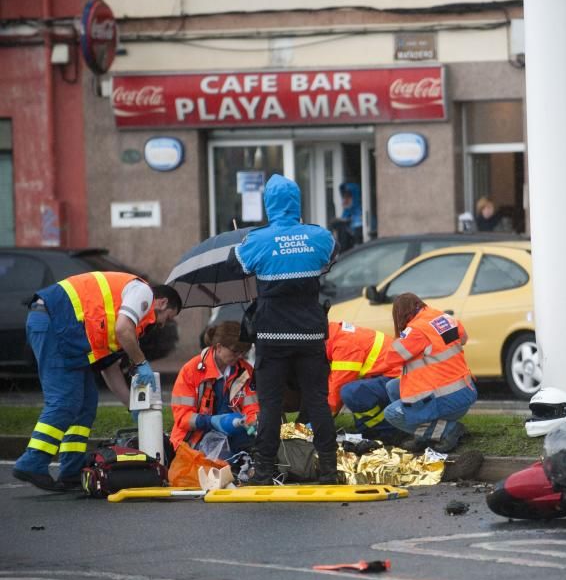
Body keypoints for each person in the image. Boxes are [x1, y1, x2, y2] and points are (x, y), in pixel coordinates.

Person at [13, 272, 182, 491]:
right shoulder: (143, 293)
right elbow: (123, 329)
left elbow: (110, 369)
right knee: (65, 400)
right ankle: (32, 462)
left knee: (85, 403)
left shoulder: (125, 318)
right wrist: (141, 362)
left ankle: (71, 470)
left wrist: (132, 407)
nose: (162, 324)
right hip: (54, 321)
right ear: (162, 301)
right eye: (168, 317)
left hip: (66, 331)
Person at [233, 173, 339, 485]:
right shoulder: (320, 237)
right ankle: (329, 470)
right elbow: (327, 259)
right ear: (297, 203)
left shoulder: (255, 241)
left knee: (270, 404)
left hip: (271, 335)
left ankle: (264, 470)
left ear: (268, 205)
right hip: (310, 333)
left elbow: (242, 265)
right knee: (317, 401)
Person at [383, 293, 477, 452]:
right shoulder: (442, 317)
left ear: (401, 315)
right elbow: (463, 338)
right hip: (464, 390)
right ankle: (423, 436)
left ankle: (448, 430)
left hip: (447, 399)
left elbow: (390, 358)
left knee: (392, 413)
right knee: (393, 386)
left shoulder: (416, 330)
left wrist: (402, 335)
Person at [170, 321, 258, 460]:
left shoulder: (246, 371)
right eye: (235, 351)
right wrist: (211, 421)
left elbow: (252, 408)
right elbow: (182, 418)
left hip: (233, 437)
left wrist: (252, 422)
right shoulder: (191, 371)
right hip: (193, 441)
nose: (240, 356)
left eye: (243, 352)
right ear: (218, 347)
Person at [326, 320, 401, 440]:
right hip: (392, 376)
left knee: (351, 393)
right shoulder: (338, 333)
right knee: (357, 393)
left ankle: (389, 431)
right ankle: (368, 431)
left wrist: (321, 421)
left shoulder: (344, 345)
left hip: (398, 380)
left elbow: (337, 388)